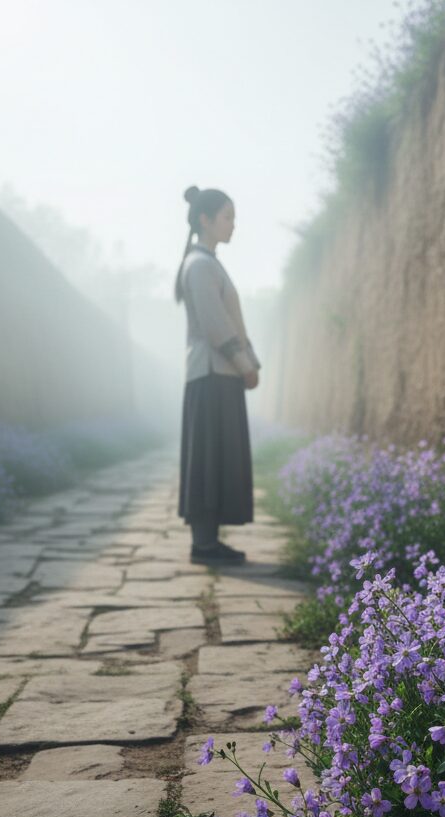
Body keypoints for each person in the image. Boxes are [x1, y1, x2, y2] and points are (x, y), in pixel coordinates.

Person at [174, 185, 261, 565]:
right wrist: (244, 365)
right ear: (205, 220)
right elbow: (216, 326)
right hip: (210, 375)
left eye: (235, 219)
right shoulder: (200, 265)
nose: (233, 226)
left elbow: (233, 322)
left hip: (219, 375)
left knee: (217, 459)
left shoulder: (209, 262)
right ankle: (204, 545)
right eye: (227, 217)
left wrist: (250, 360)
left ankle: (209, 542)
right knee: (208, 460)